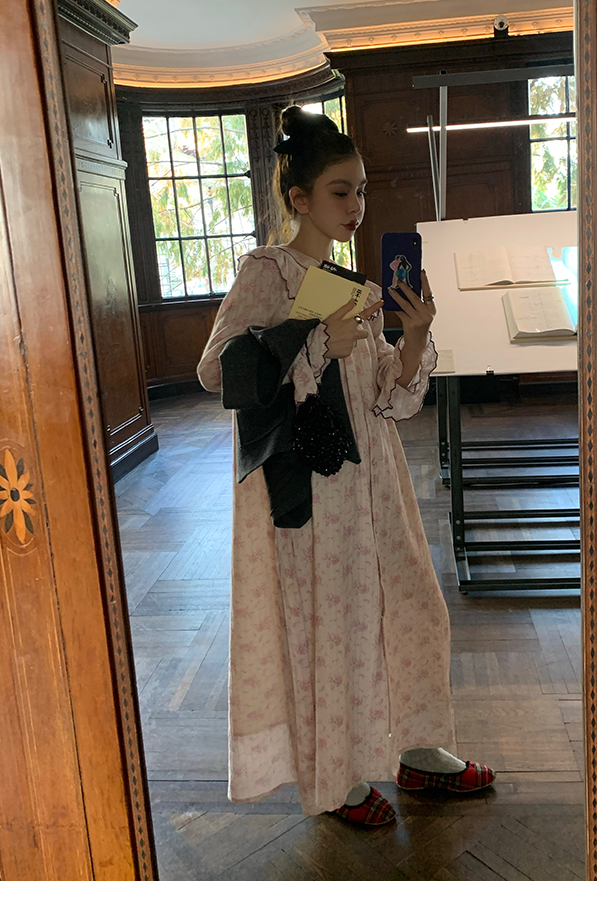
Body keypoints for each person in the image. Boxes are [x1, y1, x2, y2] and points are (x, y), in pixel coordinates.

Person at [197, 105, 495, 825]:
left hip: (378, 479)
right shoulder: (266, 271)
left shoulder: (354, 282)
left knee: (412, 604)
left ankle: (418, 749)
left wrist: (414, 337)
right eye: (340, 191)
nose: (356, 204)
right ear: (299, 197)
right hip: (313, 486)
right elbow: (216, 371)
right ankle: (338, 778)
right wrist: (313, 341)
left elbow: (390, 396)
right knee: (337, 624)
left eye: (361, 190)